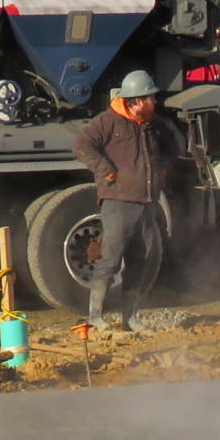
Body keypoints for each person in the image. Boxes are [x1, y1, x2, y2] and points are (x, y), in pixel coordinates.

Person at [71, 69, 182, 331]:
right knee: (110, 259)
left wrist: (163, 169)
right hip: (118, 202)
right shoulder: (107, 122)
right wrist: (106, 170)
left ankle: (129, 318)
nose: (155, 102)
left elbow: (173, 146)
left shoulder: (154, 124)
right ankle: (95, 316)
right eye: (150, 98)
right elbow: (82, 146)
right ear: (136, 101)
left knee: (141, 261)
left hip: (147, 204)